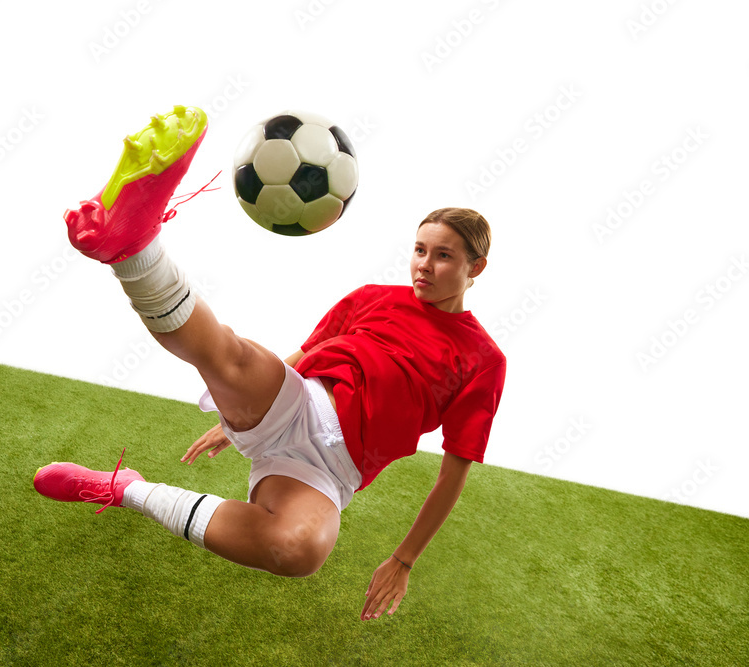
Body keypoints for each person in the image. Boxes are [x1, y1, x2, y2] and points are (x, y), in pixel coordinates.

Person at [33, 105, 506, 621]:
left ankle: (126, 490)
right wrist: (237, 413)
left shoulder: (484, 358)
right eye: (420, 250)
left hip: (330, 472)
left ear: (474, 267)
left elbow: (453, 472)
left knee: (298, 551)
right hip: (297, 405)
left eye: (443, 256)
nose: (425, 265)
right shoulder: (372, 297)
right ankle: (133, 248)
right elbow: (301, 359)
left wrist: (403, 558)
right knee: (229, 358)